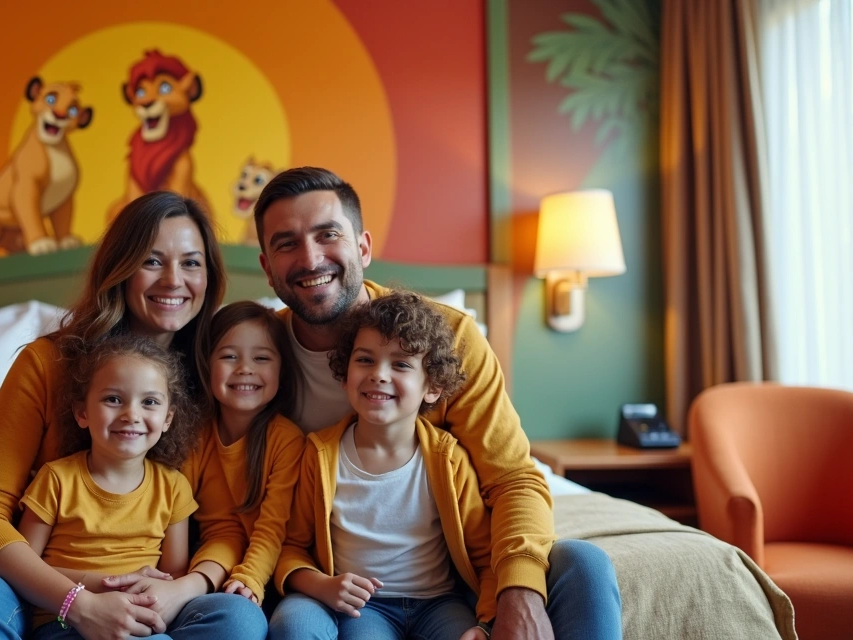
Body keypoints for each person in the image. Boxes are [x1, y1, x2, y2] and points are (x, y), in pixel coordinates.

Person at [252, 167, 621, 639]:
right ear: (266, 266)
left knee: (584, 563)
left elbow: (512, 479)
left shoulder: (447, 337)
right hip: (346, 590)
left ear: (362, 247)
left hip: (460, 573)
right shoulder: (251, 359)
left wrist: (517, 594)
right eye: (286, 244)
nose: (310, 258)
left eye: (328, 234)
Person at [0, 192, 265, 640]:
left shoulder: (210, 378)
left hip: (148, 592)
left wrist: (184, 588)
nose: (175, 280)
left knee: (239, 620)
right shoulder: (46, 364)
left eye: (192, 263)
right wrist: (76, 603)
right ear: (120, 268)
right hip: (26, 585)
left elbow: (221, 528)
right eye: (152, 261)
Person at [269, 291, 496, 640]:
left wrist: (485, 622)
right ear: (344, 375)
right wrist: (325, 585)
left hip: (441, 604)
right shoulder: (319, 455)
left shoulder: (448, 460)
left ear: (432, 387)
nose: (379, 374)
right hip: (366, 609)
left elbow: (485, 556)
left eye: (401, 364)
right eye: (365, 360)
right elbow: (292, 548)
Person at [18, 334, 217, 639]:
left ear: (168, 418)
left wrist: (151, 600)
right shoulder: (56, 479)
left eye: (149, 402)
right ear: (82, 412)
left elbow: (174, 573)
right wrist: (105, 585)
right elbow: (24, 567)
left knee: (234, 616)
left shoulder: (174, 486)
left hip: (143, 621)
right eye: (113, 399)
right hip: (66, 622)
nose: (131, 415)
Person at [179, 301, 306, 607]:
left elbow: (272, 526)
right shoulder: (195, 432)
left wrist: (249, 577)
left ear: (281, 370)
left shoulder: (286, 439)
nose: (245, 368)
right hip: (213, 548)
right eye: (229, 356)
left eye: (261, 358)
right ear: (207, 365)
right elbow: (174, 508)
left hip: (276, 559)